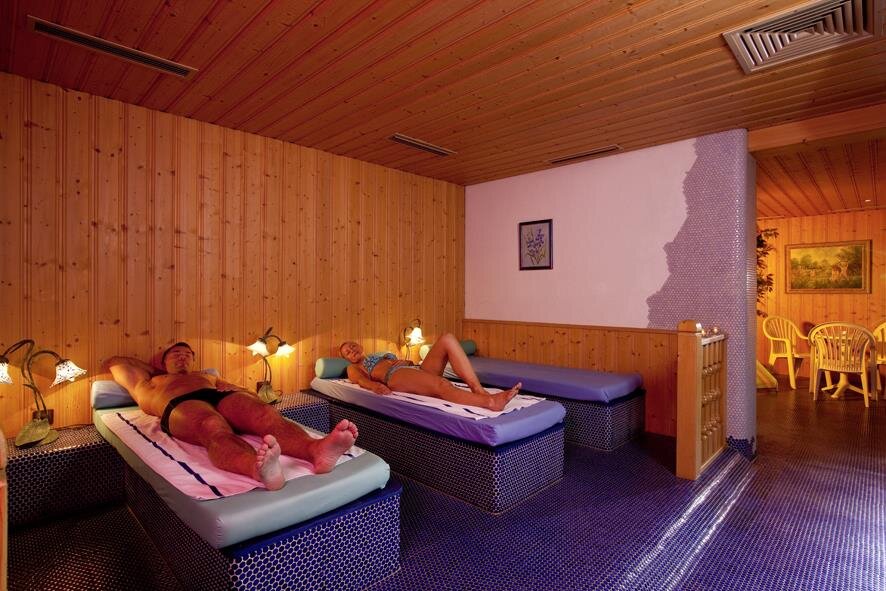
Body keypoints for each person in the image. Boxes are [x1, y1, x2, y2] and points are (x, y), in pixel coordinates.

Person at [104, 342, 358, 491]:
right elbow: (116, 361)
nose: (182, 357)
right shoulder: (149, 382)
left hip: (217, 394)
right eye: (175, 354)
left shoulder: (207, 375)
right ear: (163, 361)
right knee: (211, 425)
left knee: (264, 413)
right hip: (179, 403)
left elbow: (246, 392)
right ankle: (257, 468)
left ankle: (316, 451)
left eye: (187, 355)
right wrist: (156, 369)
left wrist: (239, 390)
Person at [339, 333, 521, 411]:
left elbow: (410, 365)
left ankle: (478, 389)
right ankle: (490, 402)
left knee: (447, 338)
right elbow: (359, 380)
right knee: (442, 384)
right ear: (347, 358)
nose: (352, 350)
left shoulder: (380, 354)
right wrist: (375, 387)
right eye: (347, 352)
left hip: (411, 370)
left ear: (360, 346)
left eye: (353, 346)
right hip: (394, 376)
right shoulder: (354, 367)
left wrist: (406, 361)